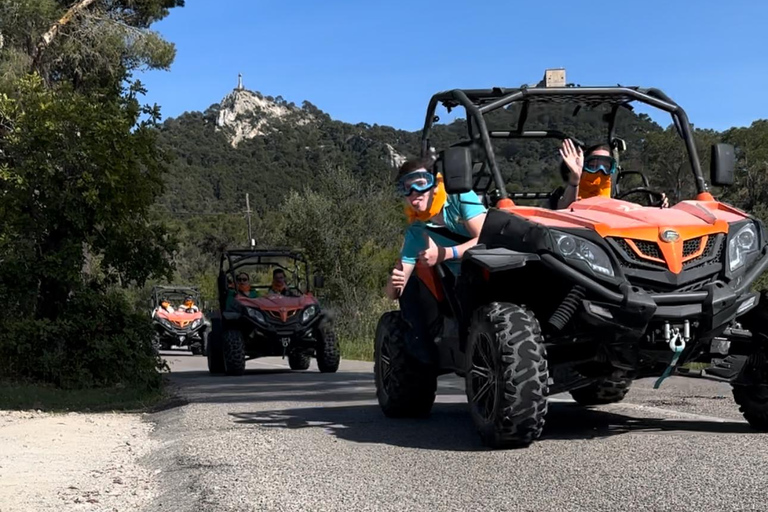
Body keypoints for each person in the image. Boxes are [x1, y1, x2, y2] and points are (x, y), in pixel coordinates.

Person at [384, 157, 487, 365]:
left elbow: (487, 240)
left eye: (420, 184)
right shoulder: (416, 231)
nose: (414, 192)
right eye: (407, 188)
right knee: (410, 288)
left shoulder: (460, 199)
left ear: (435, 184)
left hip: (486, 277)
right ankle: (422, 364)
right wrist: (394, 282)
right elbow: (394, 289)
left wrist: (445, 254)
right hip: (452, 288)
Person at [555, 139, 668, 209]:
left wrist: (655, 210)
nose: (600, 170)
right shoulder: (563, 194)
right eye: (593, 165)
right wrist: (575, 179)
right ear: (583, 166)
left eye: (606, 166)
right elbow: (563, 211)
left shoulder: (615, 202)